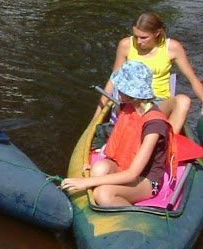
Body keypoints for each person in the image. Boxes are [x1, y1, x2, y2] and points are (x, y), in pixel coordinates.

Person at [62, 61, 175, 207]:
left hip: (146, 180)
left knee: (102, 194)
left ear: (133, 93)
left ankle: (129, 216)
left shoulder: (154, 126)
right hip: (123, 166)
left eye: (121, 89)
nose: (118, 91)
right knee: (99, 168)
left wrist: (86, 182)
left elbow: (133, 174)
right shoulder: (128, 108)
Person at [95, 11, 203, 131]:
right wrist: (96, 118)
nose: (139, 41)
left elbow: (193, 80)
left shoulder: (173, 48)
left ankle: (167, 143)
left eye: (143, 37)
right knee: (137, 109)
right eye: (136, 36)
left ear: (157, 33)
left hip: (159, 102)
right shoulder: (126, 45)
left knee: (184, 100)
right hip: (132, 101)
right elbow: (114, 80)